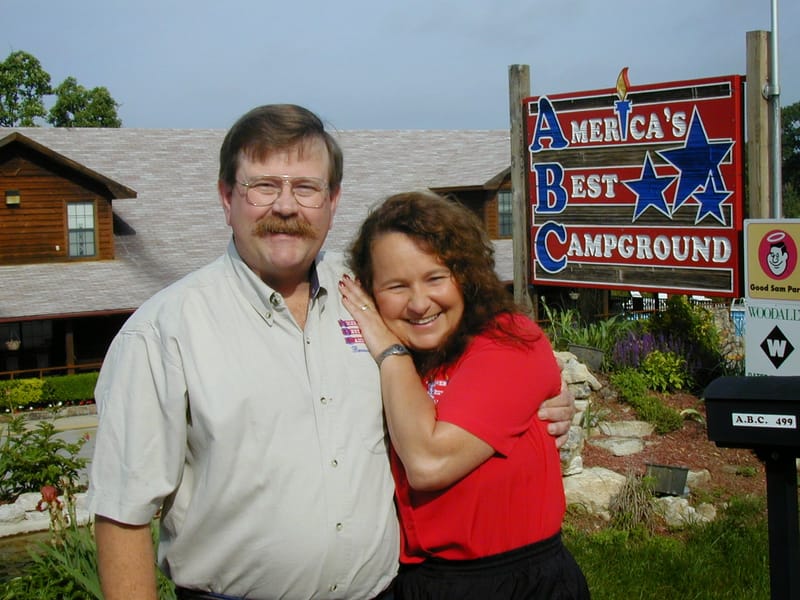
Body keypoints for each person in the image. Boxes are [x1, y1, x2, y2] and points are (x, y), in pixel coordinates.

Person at [88, 104, 575, 600]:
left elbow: (460, 357)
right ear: (226, 196)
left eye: (306, 187)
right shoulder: (162, 333)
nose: (285, 206)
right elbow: (122, 513)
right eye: (263, 186)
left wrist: (542, 399)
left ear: (333, 199)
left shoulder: (371, 292)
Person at [338, 190, 590, 599]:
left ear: (466, 276)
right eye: (396, 286)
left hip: (514, 582)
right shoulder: (384, 354)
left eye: (436, 278)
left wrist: (391, 352)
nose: (419, 303)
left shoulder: (510, 341)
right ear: (370, 294)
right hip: (414, 580)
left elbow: (429, 463)